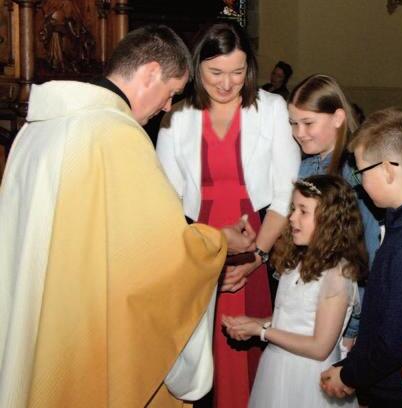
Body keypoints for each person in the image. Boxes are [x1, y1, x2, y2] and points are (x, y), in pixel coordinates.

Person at [0, 25, 257, 408]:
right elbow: (160, 256)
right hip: (82, 329)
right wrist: (219, 242)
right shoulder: (115, 135)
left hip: (36, 314)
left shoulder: (38, 129)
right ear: (151, 73)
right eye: (170, 93)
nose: (167, 107)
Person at [156, 21, 300, 408]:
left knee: (246, 351)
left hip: (257, 239)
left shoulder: (270, 108)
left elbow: (286, 192)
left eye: (237, 72)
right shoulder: (177, 116)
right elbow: (166, 200)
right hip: (197, 244)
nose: (226, 83)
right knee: (197, 350)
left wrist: (257, 257)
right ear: (196, 67)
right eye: (215, 72)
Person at [320, 108, 402, 408]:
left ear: (387, 170)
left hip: (394, 392)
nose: (359, 182)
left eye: (361, 172)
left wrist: (349, 375)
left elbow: (397, 339)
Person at [222, 175, 366, 408]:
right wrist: (253, 323)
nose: (291, 217)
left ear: (329, 219)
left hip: (309, 378)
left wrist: (261, 332)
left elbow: (320, 347)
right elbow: (293, 318)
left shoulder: (338, 273)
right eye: (292, 208)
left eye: (303, 211)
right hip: (277, 367)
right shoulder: (297, 261)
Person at [289, 74, 381, 353]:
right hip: (308, 300)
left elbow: (366, 250)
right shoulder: (306, 166)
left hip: (341, 310)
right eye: (293, 123)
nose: (299, 133)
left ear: (338, 118)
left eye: (308, 123)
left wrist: (353, 326)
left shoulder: (354, 171)